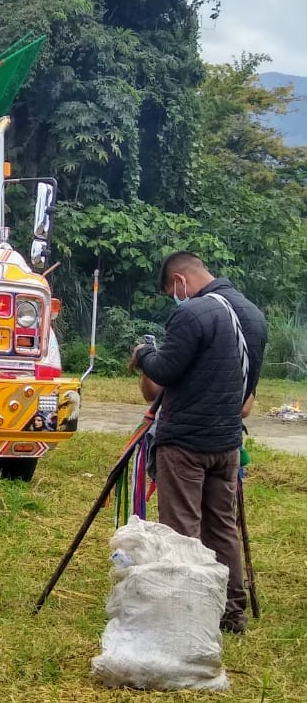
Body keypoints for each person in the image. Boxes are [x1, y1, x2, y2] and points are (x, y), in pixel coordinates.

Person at [130, 252, 269, 636]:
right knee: (222, 527)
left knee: (181, 530)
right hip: (226, 444)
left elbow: (165, 371)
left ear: (179, 281)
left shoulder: (191, 313)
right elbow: (247, 398)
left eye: (172, 291)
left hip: (185, 444)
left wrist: (144, 355)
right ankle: (230, 612)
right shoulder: (254, 315)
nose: (175, 297)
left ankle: (186, 615)